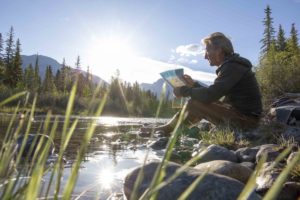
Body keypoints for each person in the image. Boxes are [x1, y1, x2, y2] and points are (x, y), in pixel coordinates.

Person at [141, 32, 262, 134]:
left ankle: (169, 130)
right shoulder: (232, 66)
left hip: (247, 122)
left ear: (219, 50)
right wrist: (193, 85)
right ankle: (172, 129)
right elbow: (214, 94)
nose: (205, 56)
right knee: (197, 102)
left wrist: (183, 91)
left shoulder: (232, 67)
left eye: (207, 51)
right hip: (244, 117)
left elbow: (210, 95)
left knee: (194, 103)